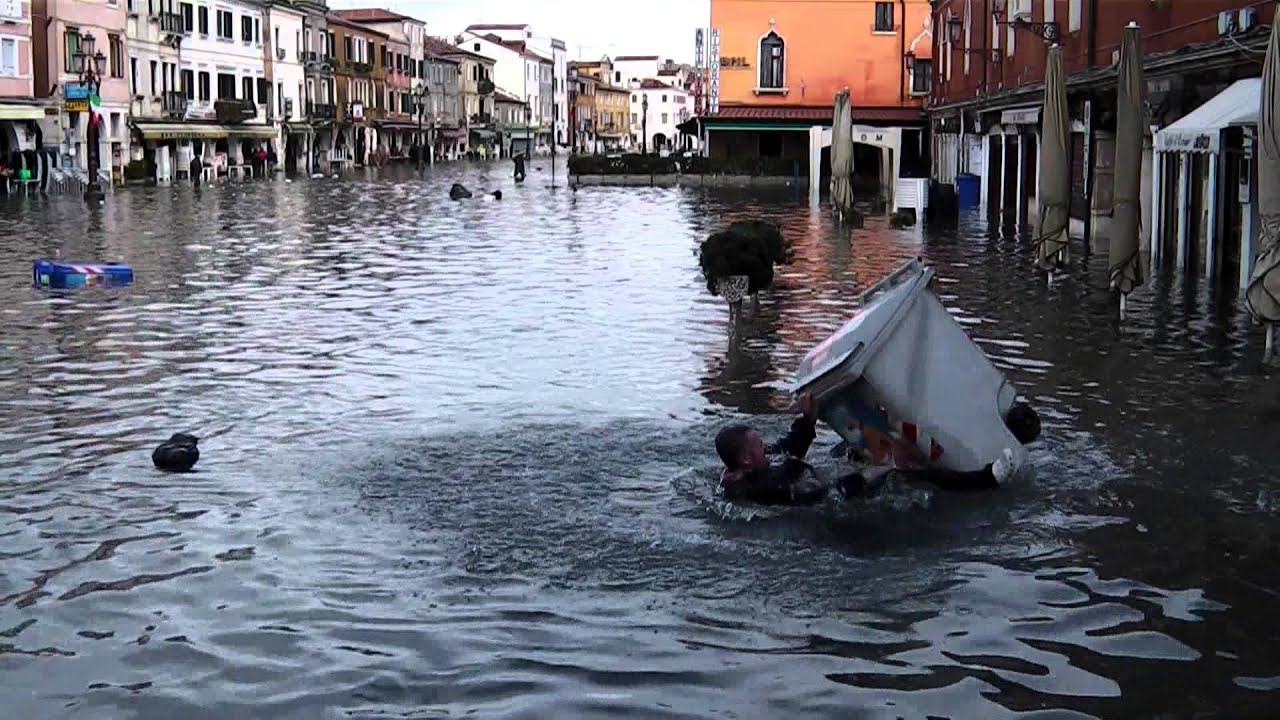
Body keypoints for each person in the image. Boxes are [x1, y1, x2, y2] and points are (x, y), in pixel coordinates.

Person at [715, 394, 1022, 507]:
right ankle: (985, 479)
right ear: (744, 458)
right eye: (758, 446)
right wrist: (867, 476)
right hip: (835, 498)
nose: (765, 449)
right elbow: (814, 497)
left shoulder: (752, 465)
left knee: (848, 447)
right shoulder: (756, 489)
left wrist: (807, 418)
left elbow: (789, 448)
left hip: (825, 479)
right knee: (906, 475)